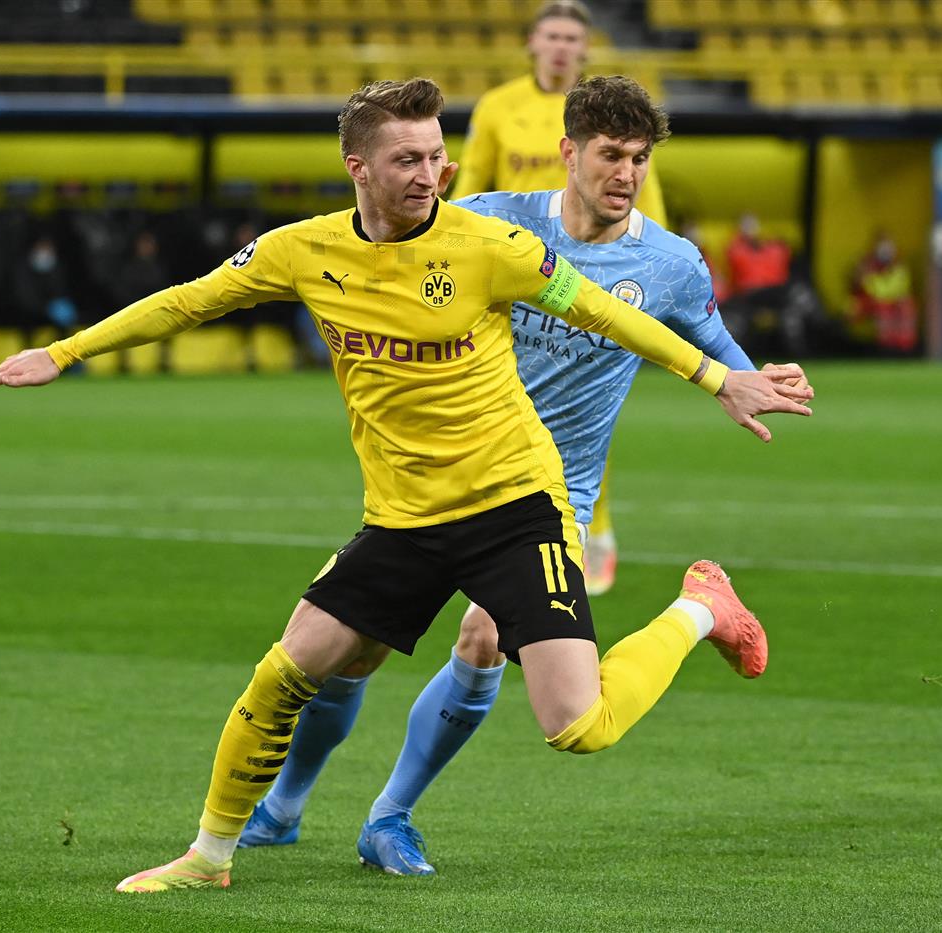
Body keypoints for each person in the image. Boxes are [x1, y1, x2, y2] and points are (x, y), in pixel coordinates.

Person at [0, 77, 813, 894]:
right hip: (404, 517)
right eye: (407, 158)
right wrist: (64, 353)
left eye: (437, 156)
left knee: (576, 725)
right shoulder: (305, 249)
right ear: (358, 168)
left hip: (518, 506)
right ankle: (210, 853)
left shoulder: (493, 247)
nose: (429, 174)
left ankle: (700, 607)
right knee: (291, 667)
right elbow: (191, 301)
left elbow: (604, 311)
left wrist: (717, 377)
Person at [237, 75, 802, 875]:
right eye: (611, 155)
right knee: (348, 646)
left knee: (484, 633)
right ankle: (285, 805)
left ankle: (390, 816)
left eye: (640, 159)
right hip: (441, 476)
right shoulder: (491, 221)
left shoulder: (670, 262)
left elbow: (705, 335)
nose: (627, 174)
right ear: (568, 151)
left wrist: (753, 380)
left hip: (547, 493)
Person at [451, 0, 670, 593]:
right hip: (513, 276)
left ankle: (592, 524)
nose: (561, 47)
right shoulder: (500, 107)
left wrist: (659, 273)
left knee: (582, 407)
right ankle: (503, 519)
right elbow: (474, 185)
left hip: (591, 277)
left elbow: (647, 202)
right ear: (532, 43)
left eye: (572, 38)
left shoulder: (612, 116)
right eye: (551, 36)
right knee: (505, 402)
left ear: (584, 48)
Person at [850, 230, 918, 353]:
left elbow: (900, 289)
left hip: (892, 302)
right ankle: (885, 349)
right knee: (881, 309)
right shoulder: (867, 266)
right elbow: (870, 290)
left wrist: (889, 298)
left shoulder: (898, 267)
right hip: (871, 303)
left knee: (906, 306)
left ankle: (905, 347)